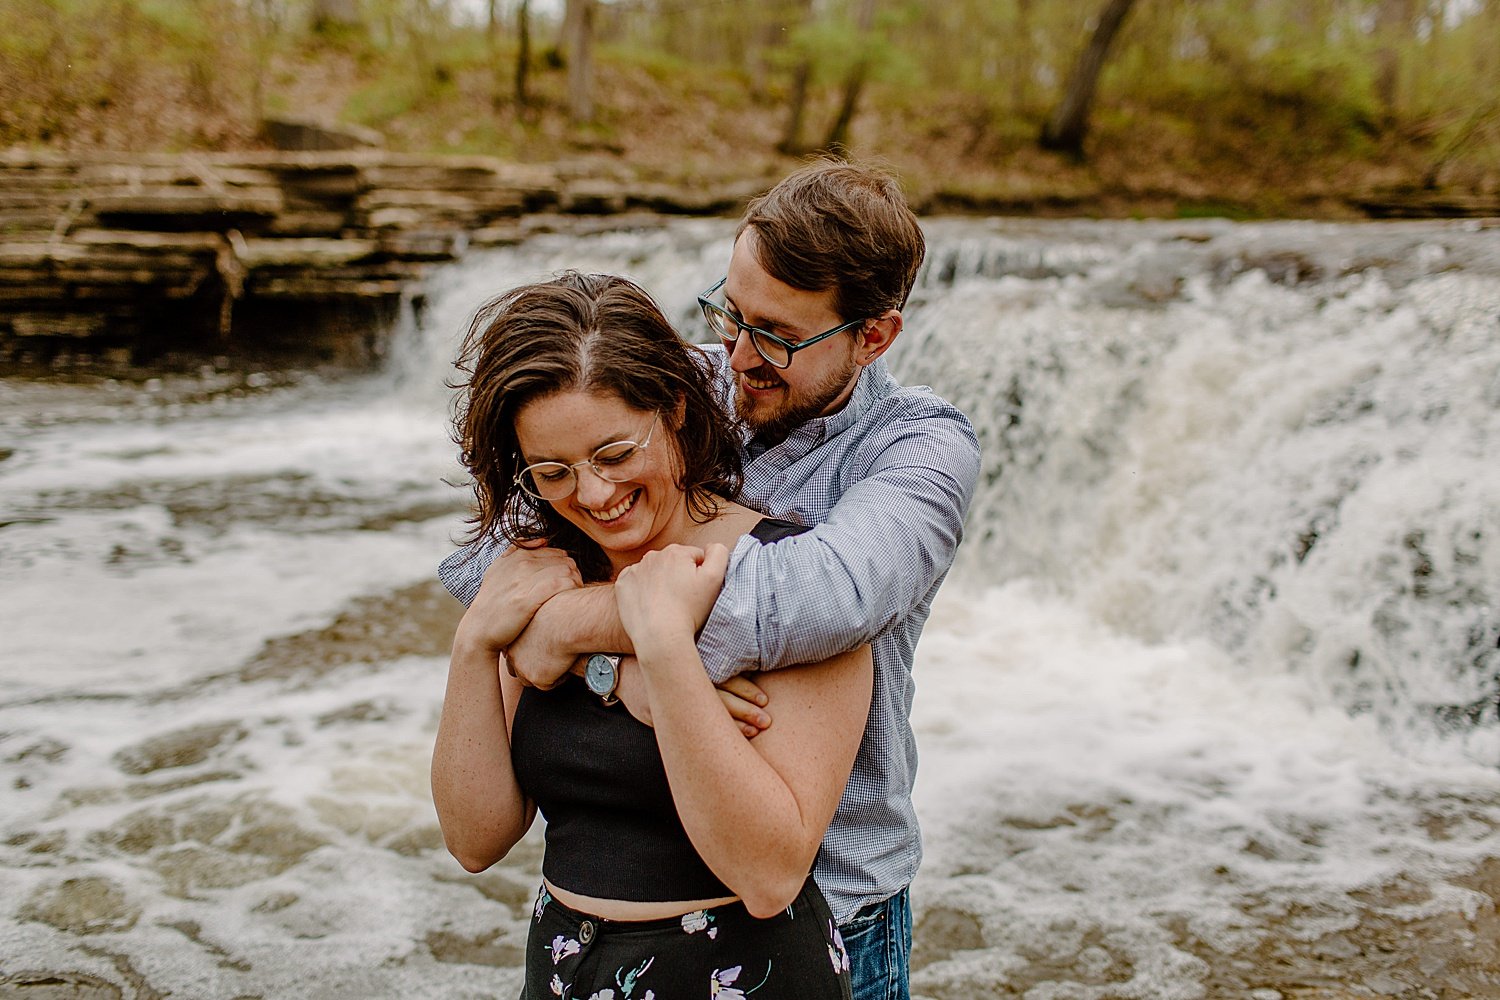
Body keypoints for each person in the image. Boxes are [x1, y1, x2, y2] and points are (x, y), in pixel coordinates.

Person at [440, 160, 981, 1000]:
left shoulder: (919, 451)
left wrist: (566, 632)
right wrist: (615, 673)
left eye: (776, 334)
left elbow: (817, 596)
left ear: (873, 336)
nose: (736, 354)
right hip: (605, 923)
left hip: (833, 903)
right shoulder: (693, 382)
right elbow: (490, 559)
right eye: (731, 311)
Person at [431, 272, 871, 1000]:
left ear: (671, 408)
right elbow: (475, 839)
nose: (594, 496)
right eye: (552, 471)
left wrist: (664, 648)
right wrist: (476, 642)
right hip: (565, 967)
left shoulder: (786, 586)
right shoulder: (546, 574)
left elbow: (769, 875)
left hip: (741, 977)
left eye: (613, 454)